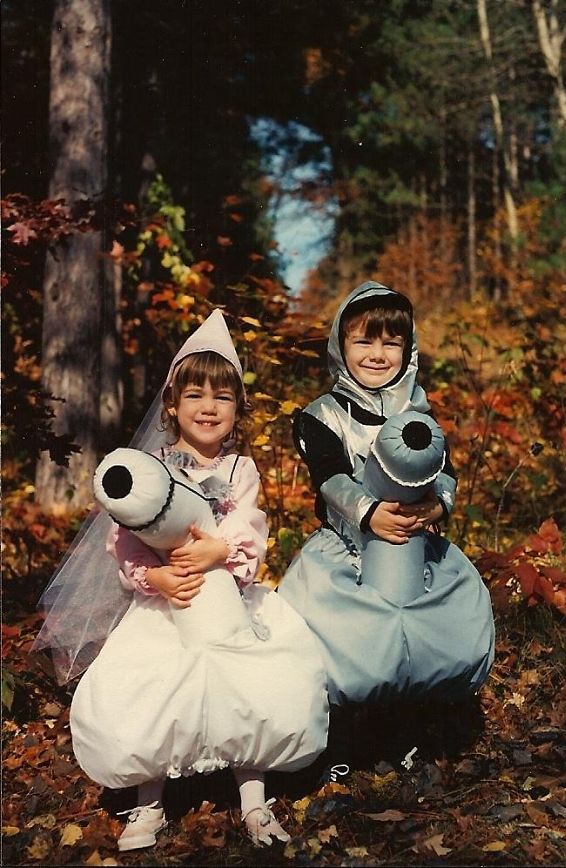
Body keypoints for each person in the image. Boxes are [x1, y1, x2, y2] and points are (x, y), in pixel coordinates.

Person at [34, 310, 329, 852]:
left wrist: (224, 548)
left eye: (221, 397)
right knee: (155, 692)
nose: (208, 408)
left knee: (247, 689)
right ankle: (149, 804)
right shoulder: (154, 464)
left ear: (238, 407)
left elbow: (247, 524)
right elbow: (122, 538)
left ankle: (253, 799)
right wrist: (156, 577)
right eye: (194, 395)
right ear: (172, 404)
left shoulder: (241, 469)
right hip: (168, 602)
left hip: (226, 596)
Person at [279, 282, 494, 742]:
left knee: (428, 628)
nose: (377, 354)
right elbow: (331, 477)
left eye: (391, 343)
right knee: (343, 635)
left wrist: (437, 505)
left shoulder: (421, 410)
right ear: (341, 346)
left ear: (407, 349)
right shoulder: (323, 414)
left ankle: (411, 729)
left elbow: (446, 473)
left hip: (414, 541)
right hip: (348, 544)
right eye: (363, 341)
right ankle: (342, 735)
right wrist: (368, 510)